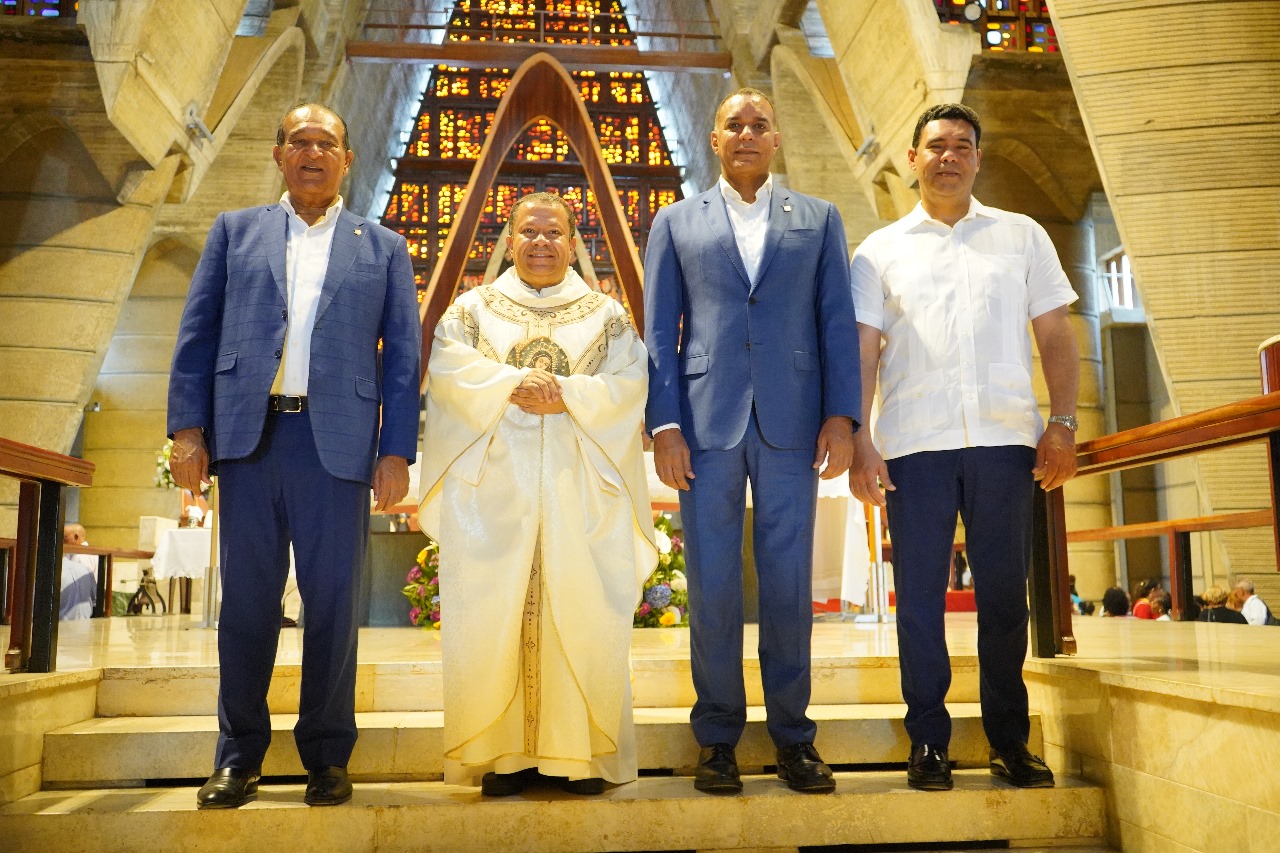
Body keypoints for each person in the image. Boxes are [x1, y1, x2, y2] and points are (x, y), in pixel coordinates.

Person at [167, 103, 421, 809]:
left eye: (326, 143)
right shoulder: (235, 231)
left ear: (347, 159)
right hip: (248, 438)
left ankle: (328, 756)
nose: (313, 153)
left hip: (336, 446)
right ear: (279, 154)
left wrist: (396, 449)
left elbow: (403, 358)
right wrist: (188, 430)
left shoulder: (384, 247)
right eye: (300, 142)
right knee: (247, 605)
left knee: (334, 606)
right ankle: (238, 756)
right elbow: (197, 333)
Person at [849, 103, 1080, 793]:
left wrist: (1063, 422)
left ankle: (1011, 741)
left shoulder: (1021, 236)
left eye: (961, 145)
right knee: (919, 601)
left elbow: (1055, 334)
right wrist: (861, 436)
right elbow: (863, 350)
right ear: (912, 159)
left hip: (1005, 441)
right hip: (915, 445)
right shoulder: (878, 250)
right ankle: (928, 740)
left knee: (1005, 599)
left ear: (977, 158)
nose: (948, 156)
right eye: (935, 145)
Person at [644, 87, 860, 794]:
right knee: (711, 584)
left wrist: (841, 416)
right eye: (734, 125)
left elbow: (835, 321)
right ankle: (717, 739)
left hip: (792, 420)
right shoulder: (676, 221)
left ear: (776, 139)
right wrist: (664, 424)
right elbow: (660, 331)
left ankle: (794, 736)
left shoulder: (818, 218)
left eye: (759, 124)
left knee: (789, 583)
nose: (746, 134)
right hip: (704, 422)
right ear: (714, 140)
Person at [418, 192, 657, 796]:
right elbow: (447, 372)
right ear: (510, 240)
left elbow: (631, 383)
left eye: (554, 233)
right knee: (493, 618)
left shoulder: (606, 316)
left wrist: (567, 396)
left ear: (574, 244)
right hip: (495, 496)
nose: (541, 243)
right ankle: (504, 758)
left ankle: (577, 758)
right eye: (529, 232)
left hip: (580, 494)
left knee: (581, 614)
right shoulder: (471, 311)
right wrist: (513, 381)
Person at [59, 523, 96, 620]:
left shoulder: (80, 557)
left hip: (72, 613)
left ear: (76, 537)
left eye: (64, 538)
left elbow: (76, 588)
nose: (61, 541)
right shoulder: (93, 553)